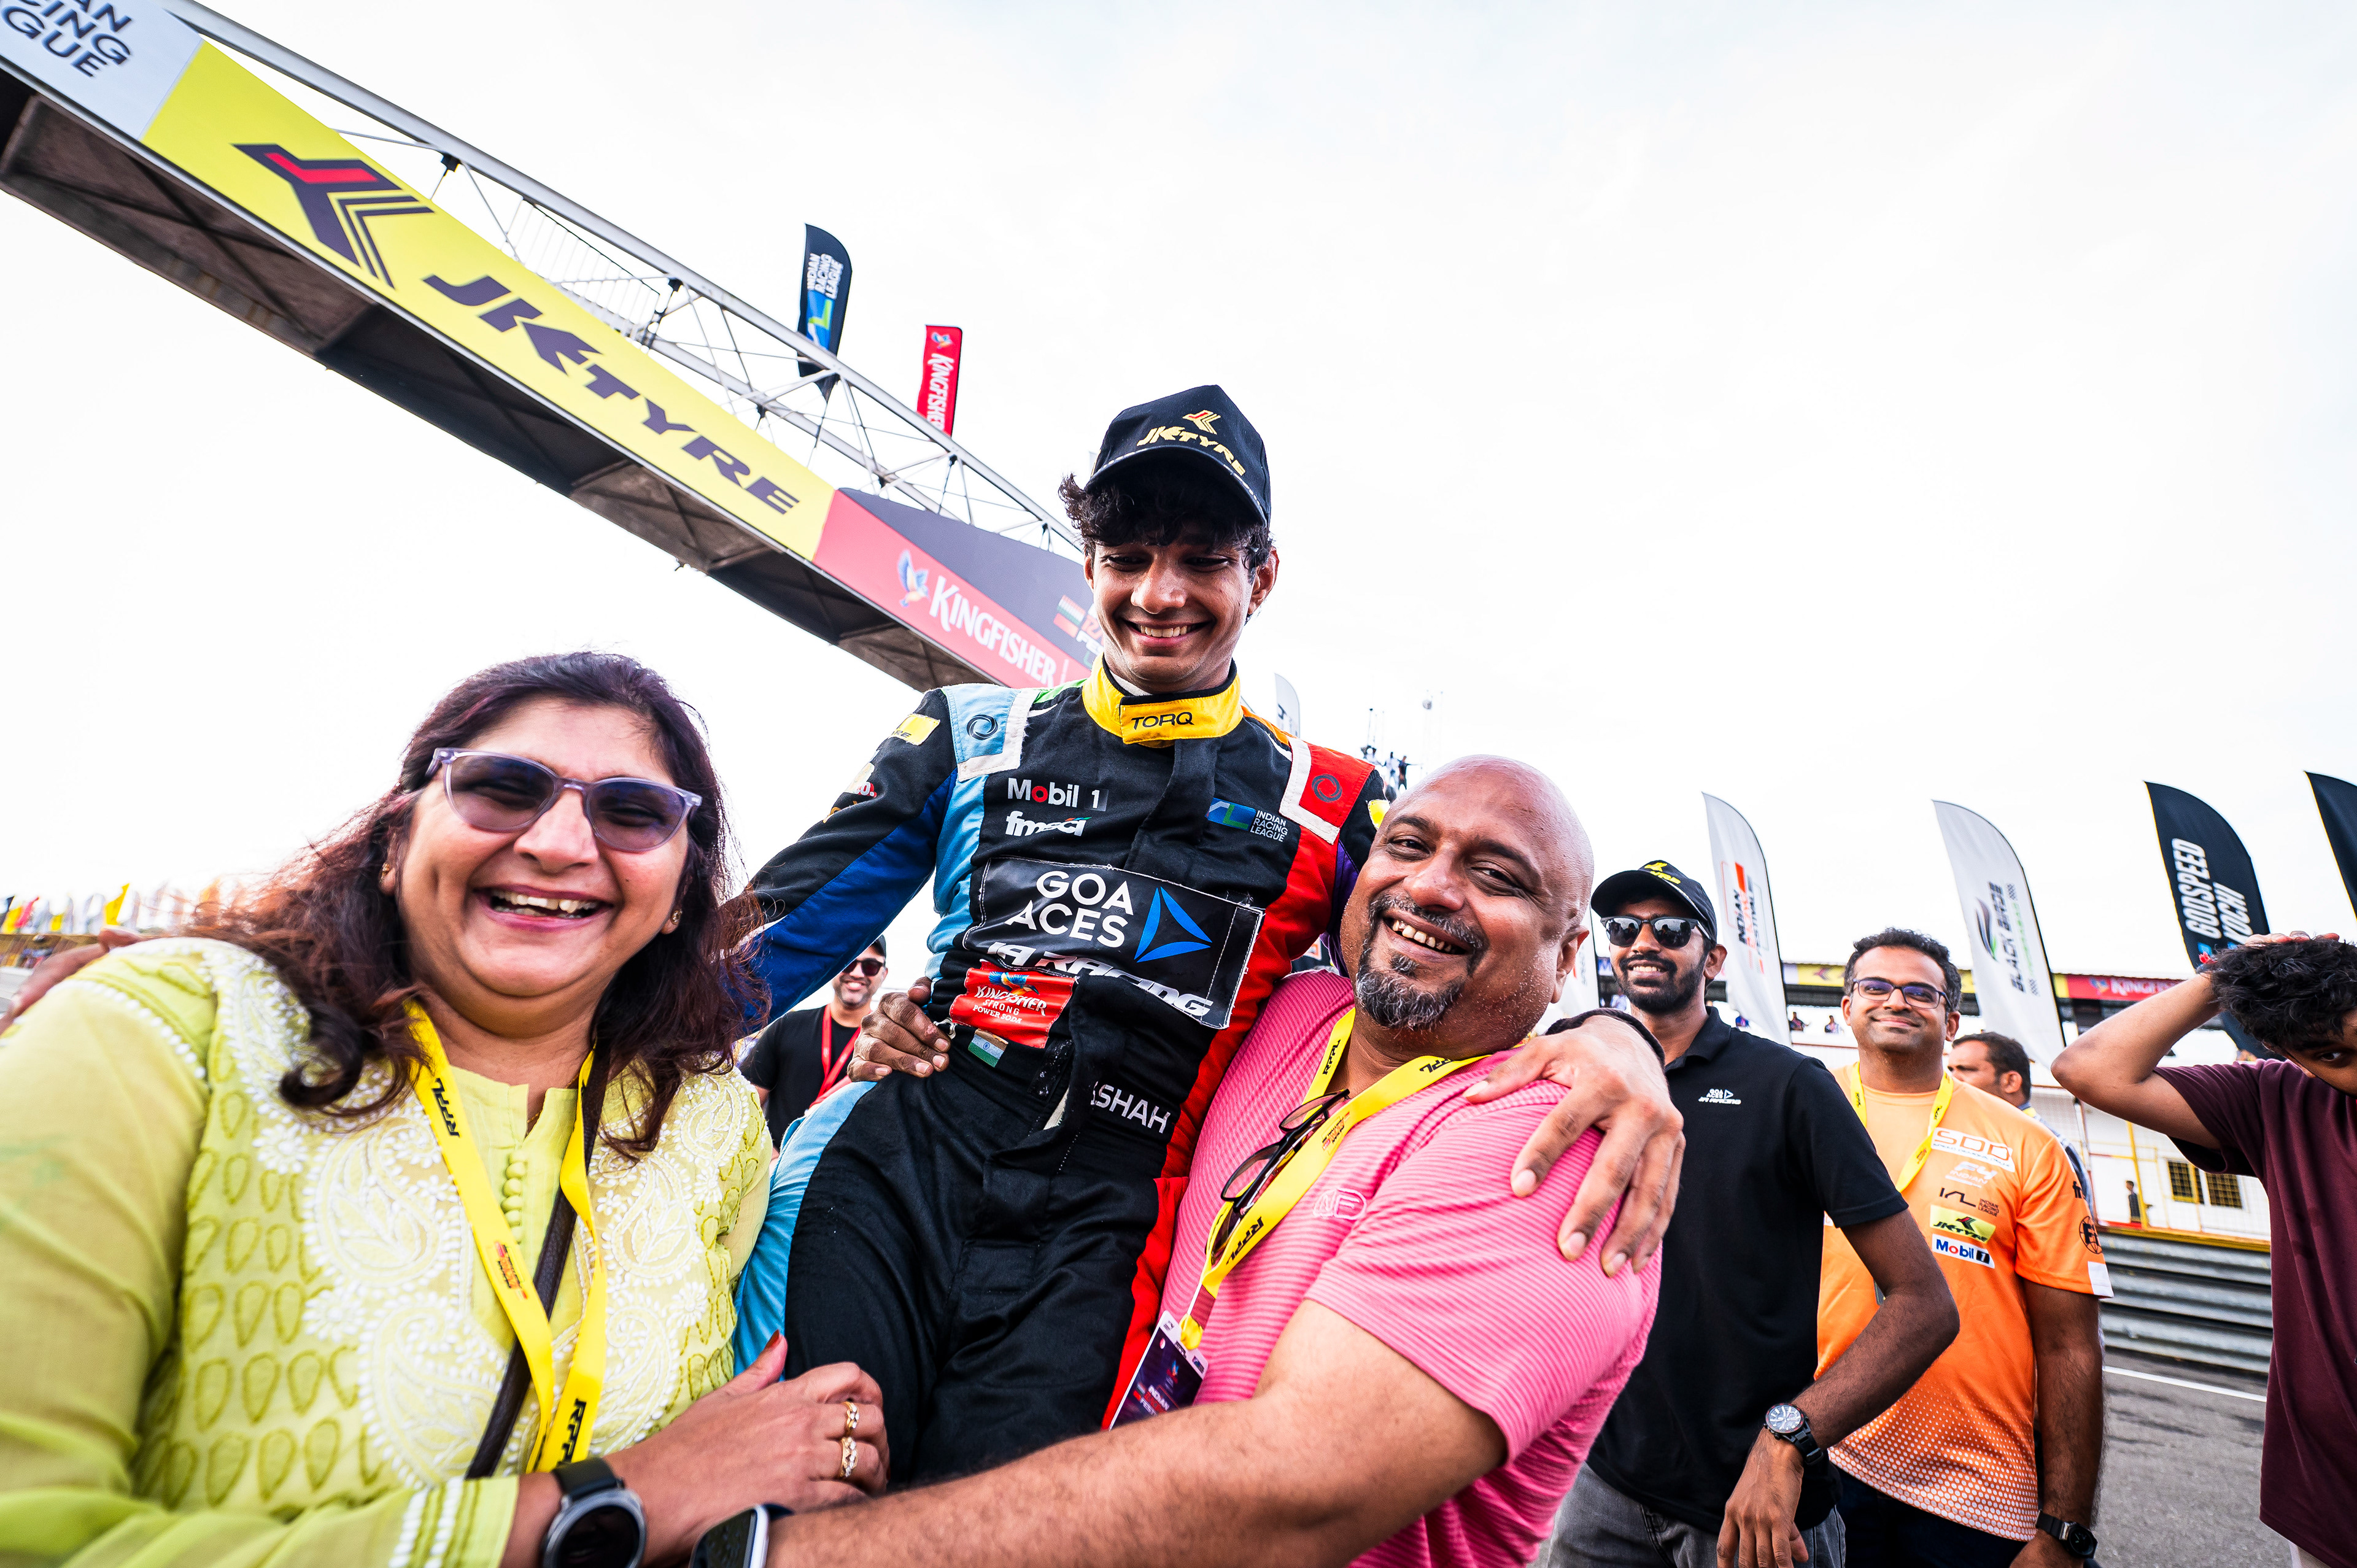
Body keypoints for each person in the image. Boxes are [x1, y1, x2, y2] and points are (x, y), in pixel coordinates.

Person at [729, 387, 1682, 1480]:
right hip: (901, 1156)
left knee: (985, 1528)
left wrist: (1623, 1041)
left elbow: (1457, 964)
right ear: (1087, 565)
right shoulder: (969, 733)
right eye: (1127, 557)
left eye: (1202, 560)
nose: (1159, 594)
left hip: (1106, 1226)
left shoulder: (1330, 801)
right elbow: (770, 942)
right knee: (802, 1496)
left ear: (1261, 576)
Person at [0, 654, 891, 1568]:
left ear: (678, 896)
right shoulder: (164, 1035)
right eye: (503, 787)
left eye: (631, 812)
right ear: (395, 840)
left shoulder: (709, 1124)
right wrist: (627, 1497)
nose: (557, 841)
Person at [743, 757, 1663, 1567]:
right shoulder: (1290, 1012)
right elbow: (1085, 986)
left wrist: (788, 1553)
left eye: (1496, 874)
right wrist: (933, 1023)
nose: (1431, 886)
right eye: (1408, 844)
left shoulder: (1555, 1144)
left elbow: (1292, 1490)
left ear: (1572, 949)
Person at [1542, 864, 1957, 1568]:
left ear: (1713, 959)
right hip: (1606, 1481)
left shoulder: (1788, 1084)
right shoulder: (1586, 1069)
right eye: (1624, 928)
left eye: (1671, 929)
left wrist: (1789, 1438)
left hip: (1752, 1505)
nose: (1644, 942)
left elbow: (1925, 1305)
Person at [2053, 932, 2357, 1568]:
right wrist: (2226, 976)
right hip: (2334, 1481)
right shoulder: (2280, 1100)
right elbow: (2088, 1068)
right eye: (2334, 1054)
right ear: (2287, 1054)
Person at [1821, 931, 2106, 1568]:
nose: (1896, 999)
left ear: (1950, 1019)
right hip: (1822, 1455)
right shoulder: (1798, 1107)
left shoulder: (2028, 1143)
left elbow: (2071, 1343)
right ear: (1846, 1007)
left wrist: (2066, 1528)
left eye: (1920, 991)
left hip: (1976, 1491)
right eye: (1875, 985)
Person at [738, 938, 886, 1148]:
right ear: (834, 965)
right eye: (849, 963)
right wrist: (768, 1156)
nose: (857, 973)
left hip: (847, 1172)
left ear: (884, 974)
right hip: (778, 1165)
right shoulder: (786, 1026)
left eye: (870, 966)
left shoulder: (885, 1045)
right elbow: (745, 1106)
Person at [1949, 1032, 2093, 1219]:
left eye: (1966, 1070)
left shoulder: (2048, 1148)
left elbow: (2065, 1237)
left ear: (2010, 1082)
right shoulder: (1961, 1136)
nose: (1952, 1080)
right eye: (1951, 1070)